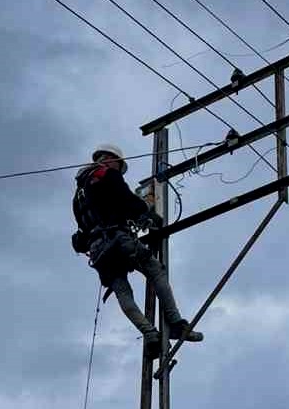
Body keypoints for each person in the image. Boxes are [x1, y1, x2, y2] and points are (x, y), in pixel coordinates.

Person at [72, 143, 203, 357]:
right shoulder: (107, 174)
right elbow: (125, 198)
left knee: (123, 291)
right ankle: (176, 323)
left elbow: (84, 229)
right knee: (155, 270)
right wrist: (144, 211)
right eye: (119, 165)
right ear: (110, 159)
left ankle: (150, 335)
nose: (119, 169)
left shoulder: (79, 194)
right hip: (117, 238)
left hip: (98, 251)